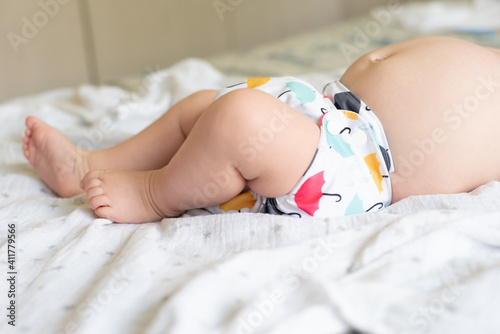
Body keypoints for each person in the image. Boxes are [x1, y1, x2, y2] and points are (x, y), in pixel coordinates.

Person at [22, 36, 500, 223]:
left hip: (359, 168)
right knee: (204, 107)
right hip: (328, 111)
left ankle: (153, 194)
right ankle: (88, 164)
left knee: (238, 120)